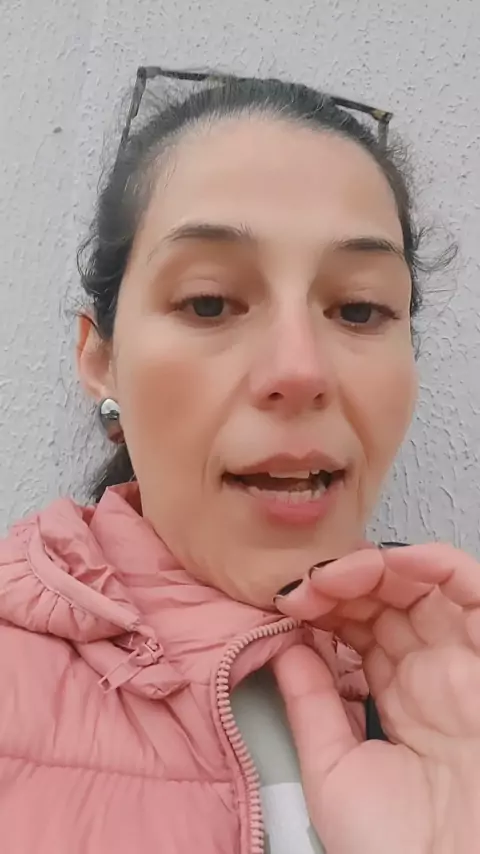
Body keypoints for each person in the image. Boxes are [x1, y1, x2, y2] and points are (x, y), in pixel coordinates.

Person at [0, 68, 477, 854]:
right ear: (102, 360)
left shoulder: (463, 688)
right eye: (210, 302)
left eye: (359, 308)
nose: (300, 370)